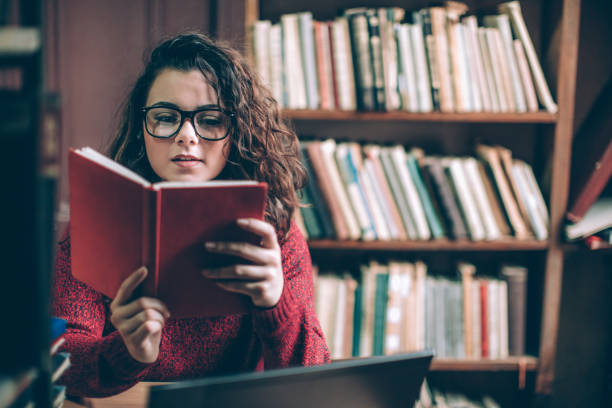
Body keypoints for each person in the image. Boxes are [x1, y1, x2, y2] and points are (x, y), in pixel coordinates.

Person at [51, 32, 330, 398]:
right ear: (141, 131)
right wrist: (128, 352)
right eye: (166, 118)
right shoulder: (96, 224)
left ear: (237, 131)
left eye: (210, 120)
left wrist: (277, 303)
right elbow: (61, 364)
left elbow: (312, 385)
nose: (186, 135)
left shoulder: (273, 235)